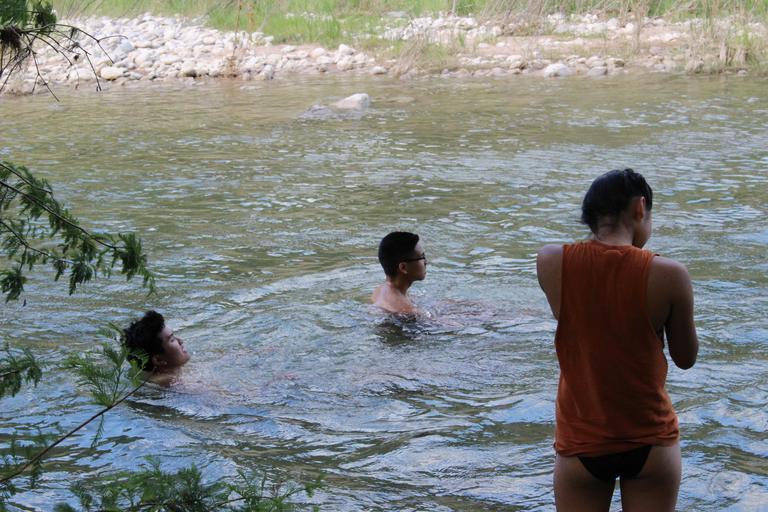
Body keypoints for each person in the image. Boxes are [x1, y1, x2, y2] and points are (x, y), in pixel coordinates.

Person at [536, 169, 699, 512]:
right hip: (650, 439)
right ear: (640, 208)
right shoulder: (670, 274)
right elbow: (686, 358)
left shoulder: (551, 261)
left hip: (582, 440)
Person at [123, 310, 190, 386]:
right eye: (172, 340)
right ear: (158, 360)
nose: (180, 341)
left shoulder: (169, 370)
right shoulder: (168, 381)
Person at [372, 231, 428, 314]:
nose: (426, 262)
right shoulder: (408, 312)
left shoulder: (380, 290)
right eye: (422, 257)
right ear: (403, 267)